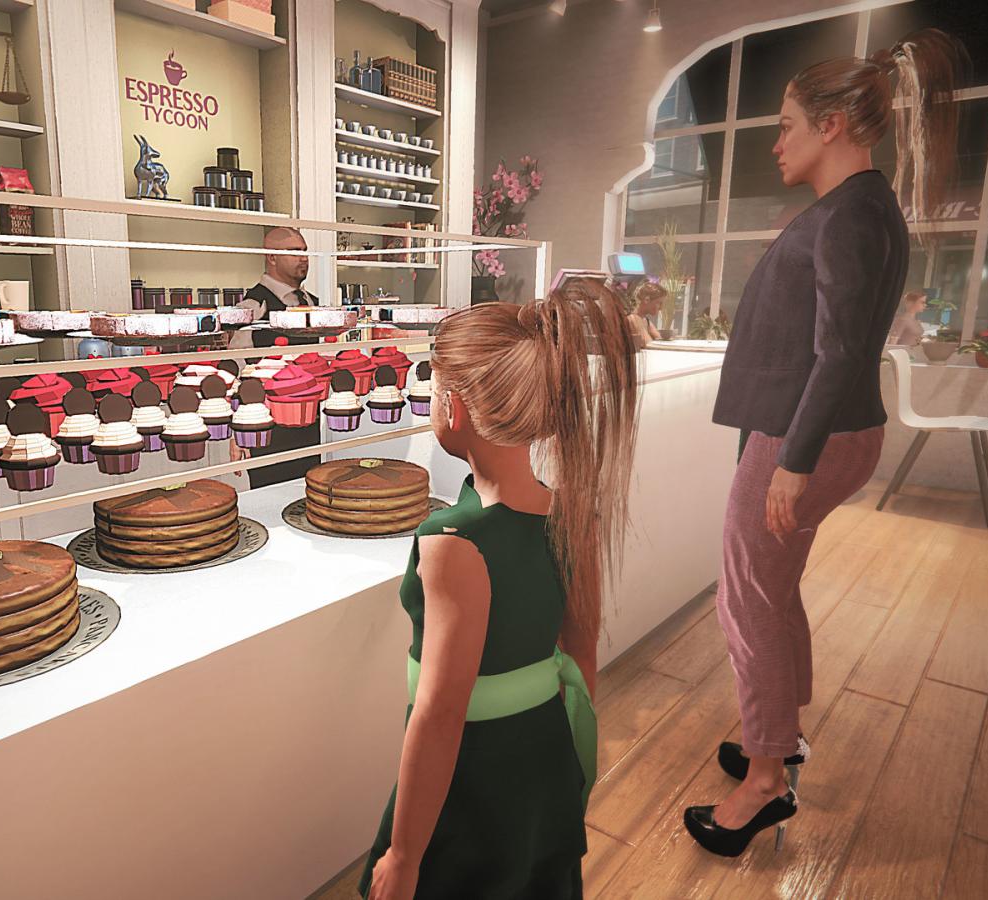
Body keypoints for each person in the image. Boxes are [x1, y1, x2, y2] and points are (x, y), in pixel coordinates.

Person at [696, 28, 965, 858]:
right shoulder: (862, 209)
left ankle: (765, 781)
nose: (777, 143)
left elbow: (839, 351)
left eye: (787, 126)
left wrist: (793, 460)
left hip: (803, 434)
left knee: (747, 599)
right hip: (811, 429)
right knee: (772, 591)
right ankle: (779, 738)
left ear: (833, 125)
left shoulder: (850, 214)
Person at [359, 279, 639, 900]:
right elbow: (582, 652)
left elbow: (440, 714)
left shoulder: (454, 540)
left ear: (453, 407)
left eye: (430, 389)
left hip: (473, 772)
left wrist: (403, 855)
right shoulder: (574, 515)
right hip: (544, 749)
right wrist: (566, 760)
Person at [234, 227, 324, 487]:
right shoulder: (253, 308)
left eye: (304, 251)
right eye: (294, 252)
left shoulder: (313, 302)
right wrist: (238, 431)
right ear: (271, 257)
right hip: (268, 431)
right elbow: (237, 371)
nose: (303, 258)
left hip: (311, 425)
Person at [628, 280, 666, 345]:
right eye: (659, 303)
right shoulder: (633, 319)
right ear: (647, 300)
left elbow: (660, 342)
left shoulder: (645, 320)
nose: (661, 308)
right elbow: (650, 345)